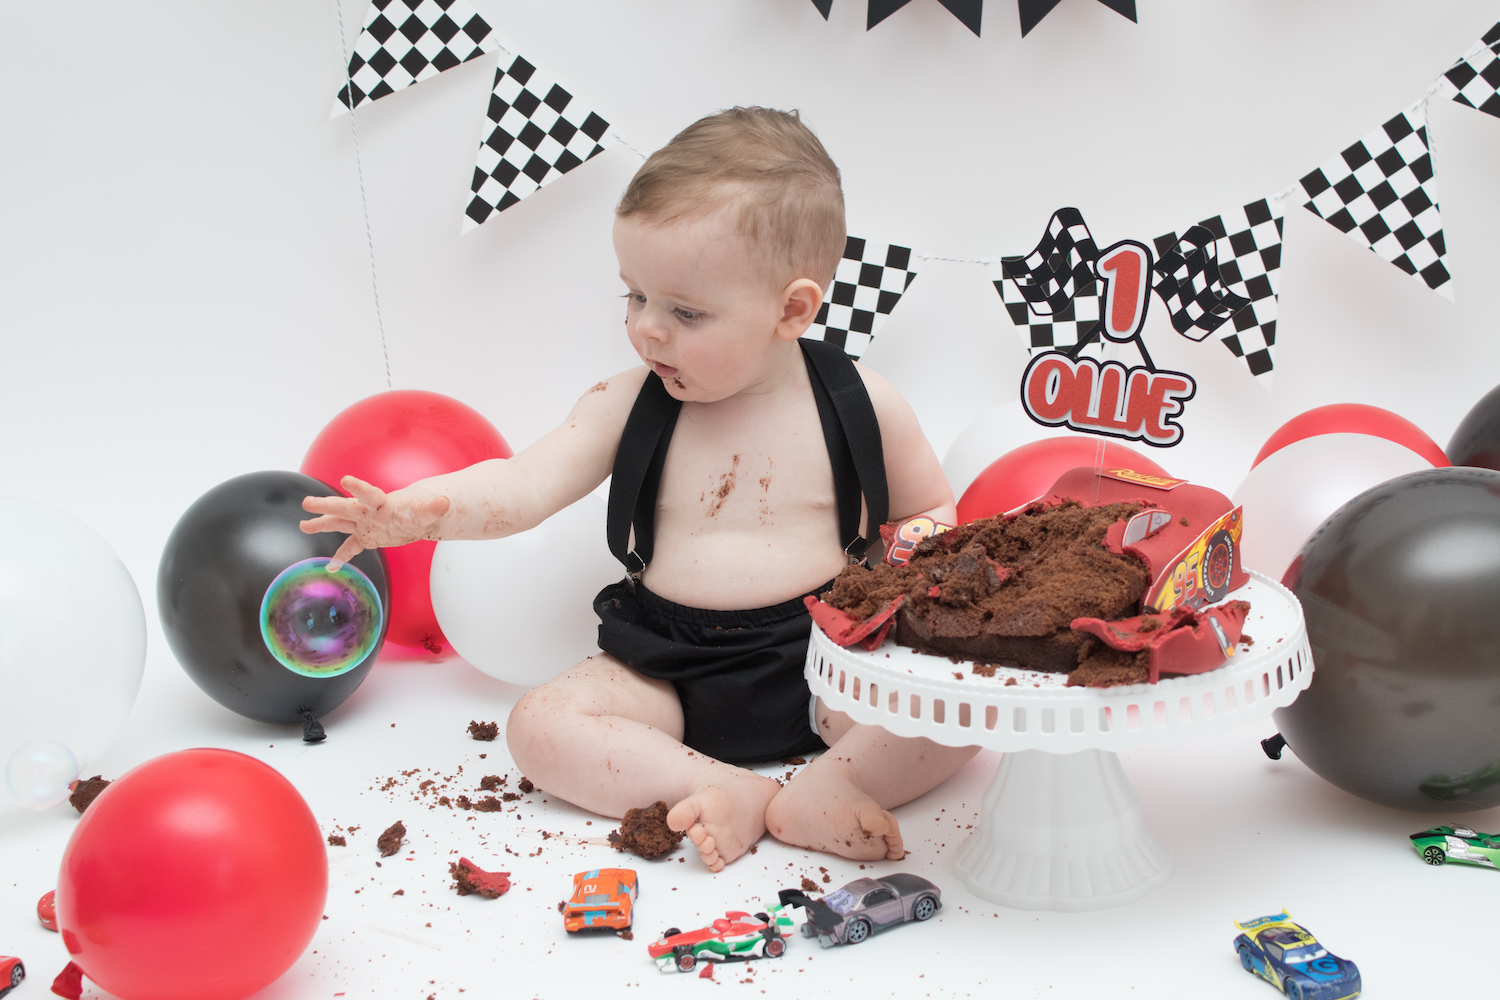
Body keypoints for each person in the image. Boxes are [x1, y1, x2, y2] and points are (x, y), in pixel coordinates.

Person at [301, 107, 979, 871]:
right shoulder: (627, 404)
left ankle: (829, 784)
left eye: (685, 312)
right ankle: (719, 785)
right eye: (635, 296)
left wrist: (900, 585)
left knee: (959, 713)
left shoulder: (860, 402)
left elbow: (927, 509)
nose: (649, 330)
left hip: (829, 658)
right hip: (665, 669)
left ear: (792, 309)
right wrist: (419, 513)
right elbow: (526, 483)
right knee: (541, 725)